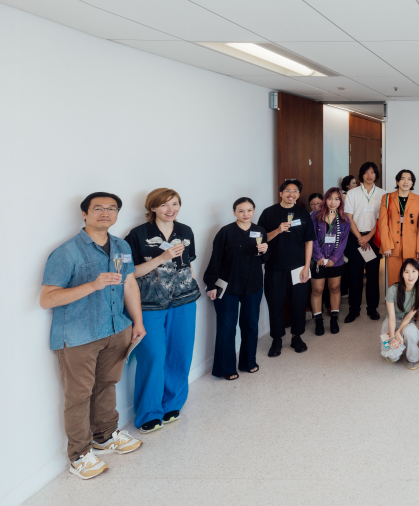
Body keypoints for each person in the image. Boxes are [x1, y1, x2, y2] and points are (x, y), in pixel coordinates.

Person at [41, 192, 145, 479]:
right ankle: (79, 455)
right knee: (78, 396)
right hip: (79, 336)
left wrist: (137, 322)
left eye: (111, 208)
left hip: (116, 329)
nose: (105, 213)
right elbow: (47, 299)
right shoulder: (66, 252)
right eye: (97, 208)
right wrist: (92, 285)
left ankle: (106, 436)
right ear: (84, 214)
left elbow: (129, 284)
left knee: (107, 385)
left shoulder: (121, 245)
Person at [125, 188, 200, 434]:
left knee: (180, 352)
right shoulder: (137, 234)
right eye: (165, 205)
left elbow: (188, 264)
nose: (171, 209)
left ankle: (172, 404)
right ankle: (149, 412)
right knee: (153, 356)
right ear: (153, 207)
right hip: (149, 303)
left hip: (184, 301)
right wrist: (161, 257)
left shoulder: (185, 231)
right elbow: (130, 273)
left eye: (175, 204)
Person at [204, 197, 268, 380]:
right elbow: (215, 258)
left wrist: (265, 250)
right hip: (228, 286)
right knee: (226, 327)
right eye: (241, 211)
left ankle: (248, 362)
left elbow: (265, 259)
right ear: (234, 212)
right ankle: (226, 368)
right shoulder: (225, 232)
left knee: (251, 325)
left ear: (254, 211)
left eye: (249, 210)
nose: (245, 214)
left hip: (253, 285)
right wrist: (211, 284)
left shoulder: (260, 230)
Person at [258, 179, 313, 357]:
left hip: (298, 268)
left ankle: (297, 337)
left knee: (298, 303)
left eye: (295, 191)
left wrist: (307, 267)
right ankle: (277, 339)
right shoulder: (269, 213)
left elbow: (309, 241)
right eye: (288, 190)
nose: (291, 194)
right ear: (281, 193)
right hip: (275, 267)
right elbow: (261, 239)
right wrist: (277, 230)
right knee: (275, 304)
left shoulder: (303, 214)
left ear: (298, 194)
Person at [344, 162, 386, 322]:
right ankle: (354, 310)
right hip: (355, 239)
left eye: (372, 172)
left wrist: (368, 237)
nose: (369, 175)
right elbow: (349, 217)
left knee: (372, 275)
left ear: (376, 175)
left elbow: (382, 220)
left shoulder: (382, 194)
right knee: (354, 275)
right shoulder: (352, 193)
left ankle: (372, 309)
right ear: (361, 174)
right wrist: (360, 238)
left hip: (373, 239)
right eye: (366, 172)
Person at [311, 188, 349, 335]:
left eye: (337, 199)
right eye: (330, 198)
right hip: (318, 259)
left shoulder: (344, 219)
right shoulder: (315, 216)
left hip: (335, 260)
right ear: (325, 199)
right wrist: (318, 256)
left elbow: (343, 242)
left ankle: (334, 319)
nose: (333, 202)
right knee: (317, 289)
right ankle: (318, 320)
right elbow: (312, 238)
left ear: (341, 201)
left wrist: (334, 258)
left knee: (335, 288)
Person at [378, 169, 419, 287]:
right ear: (397, 181)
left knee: (410, 280)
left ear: (412, 182)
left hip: (412, 247)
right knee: (394, 279)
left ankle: (409, 300)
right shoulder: (387, 198)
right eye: (402, 178)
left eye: (409, 179)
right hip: (392, 247)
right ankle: (394, 299)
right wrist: (386, 246)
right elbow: (383, 224)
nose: (406, 182)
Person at [381, 258, 419, 370]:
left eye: (414, 271)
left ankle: (413, 358)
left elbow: (409, 316)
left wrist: (399, 331)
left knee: (409, 332)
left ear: (418, 273)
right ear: (402, 274)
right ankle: (399, 344)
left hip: (407, 322)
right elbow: (391, 317)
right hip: (392, 320)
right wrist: (392, 337)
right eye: (406, 271)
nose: (411, 275)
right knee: (392, 357)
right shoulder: (392, 290)